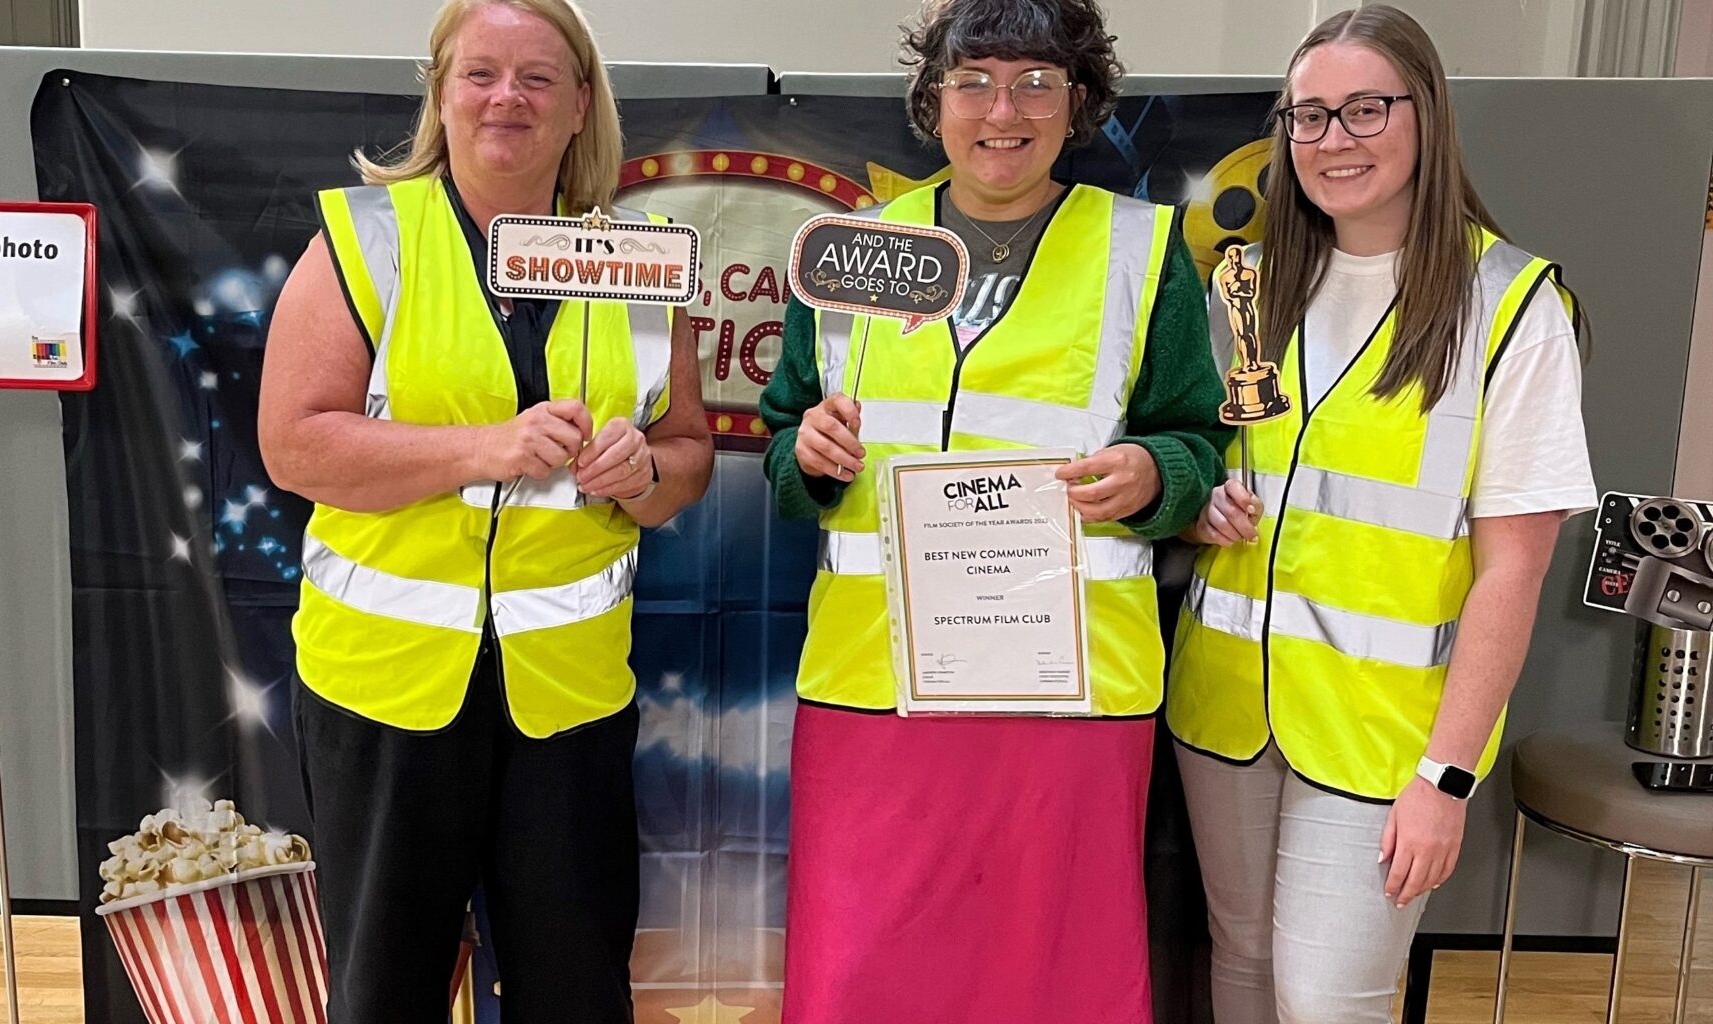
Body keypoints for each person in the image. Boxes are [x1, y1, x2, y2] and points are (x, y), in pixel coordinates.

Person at [758, 1, 1231, 1020]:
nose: (1001, 110)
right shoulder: (849, 251)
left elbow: (1197, 441)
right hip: (872, 691)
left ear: (1080, 105)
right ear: (932, 103)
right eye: (973, 81)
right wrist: (808, 455)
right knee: (865, 974)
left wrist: (1156, 475)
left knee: (1052, 975)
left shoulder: (1145, 255)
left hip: (1066, 698)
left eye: (1034, 83)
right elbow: (786, 451)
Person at [257, 0, 712, 1019]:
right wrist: (484, 449)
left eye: (539, 77)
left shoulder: (639, 262)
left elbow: (690, 457)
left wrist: (644, 473)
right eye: (482, 73)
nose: (508, 97)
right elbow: (293, 445)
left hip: (567, 698)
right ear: (442, 93)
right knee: (385, 991)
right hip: (384, 694)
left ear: (581, 104)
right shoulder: (366, 240)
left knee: (575, 988)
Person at [1165, 7, 1597, 1023]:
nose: (1333, 139)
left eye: (1364, 109)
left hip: (1385, 736)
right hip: (1226, 706)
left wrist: (1444, 778)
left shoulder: (1511, 307)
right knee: (1240, 968)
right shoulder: (1250, 283)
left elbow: (1513, 571)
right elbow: (1202, 468)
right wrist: (1202, 509)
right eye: (1307, 116)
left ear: (1426, 115)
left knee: (1327, 999)